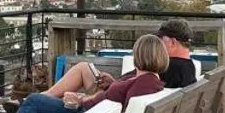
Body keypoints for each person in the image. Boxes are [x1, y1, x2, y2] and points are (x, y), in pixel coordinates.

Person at [9, 34, 169, 113]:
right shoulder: (142, 76)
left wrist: (81, 100)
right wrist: (113, 84)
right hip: (86, 109)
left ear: (140, 55)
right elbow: (121, 98)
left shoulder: (145, 82)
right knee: (34, 100)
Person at [42, 19, 199, 98]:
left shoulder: (168, 67)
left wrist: (88, 98)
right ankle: (43, 97)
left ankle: (40, 98)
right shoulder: (186, 67)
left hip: (111, 104)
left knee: (82, 69)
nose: (157, 44)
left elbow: (137, 90)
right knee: (84, 67)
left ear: (172, 42)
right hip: (116, 94)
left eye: (160, 40)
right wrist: (113, 82)